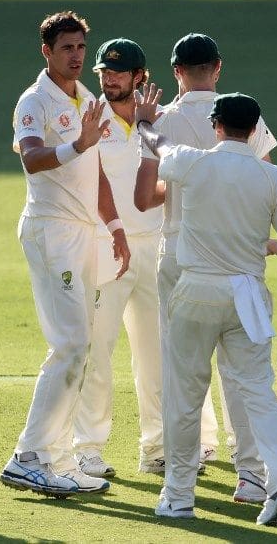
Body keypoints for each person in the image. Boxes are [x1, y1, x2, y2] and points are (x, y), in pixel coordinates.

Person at [135, 87, 277, 525]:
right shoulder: (272, 178)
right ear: (254, 132)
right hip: (246, 293)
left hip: (196, 290)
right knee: (258, 391)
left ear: (217, 126)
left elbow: (160, 147)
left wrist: (143, 123)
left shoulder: (196, 161)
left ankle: (178, 497)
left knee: (185, 394)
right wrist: (265, 246)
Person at [0, 11, 130, 497]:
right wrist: (78, 143)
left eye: (80, 47)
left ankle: (59, 456)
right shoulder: (34, 101)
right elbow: (33, 159)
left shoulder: (88, 99)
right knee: (71, 344)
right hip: (50, 230)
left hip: (83, 232)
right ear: (47, 52)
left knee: (83, 344)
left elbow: (94, 172)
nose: (76, 56)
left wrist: (114, 226)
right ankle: (28, 457)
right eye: (67, 48)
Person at [70, 38, 168, 478]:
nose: (109, 78)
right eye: (104, 72)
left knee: (156, 353)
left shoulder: (158, 121)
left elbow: (166, 174)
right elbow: (84, 180)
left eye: (119, 72)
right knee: (98, 349)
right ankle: (86, 449)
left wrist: (148, 126)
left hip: (155, 246)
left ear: (139, 76)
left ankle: (158, 448)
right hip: (105, 246)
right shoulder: (89, 115)